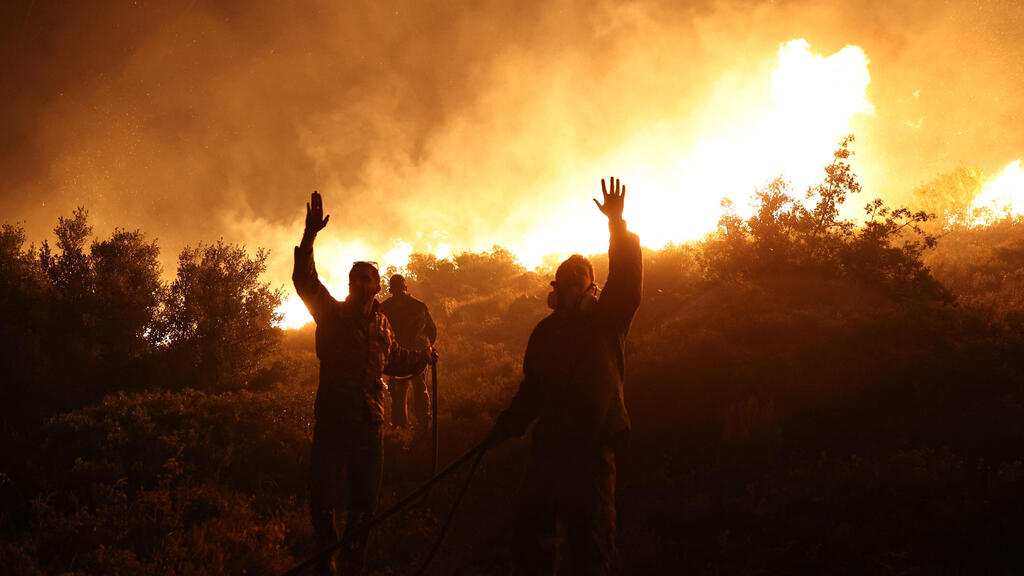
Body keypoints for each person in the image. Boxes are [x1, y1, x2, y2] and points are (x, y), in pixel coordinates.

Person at [487, 177, 642, 575]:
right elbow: (534, 390)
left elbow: (626, 280)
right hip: (551, 446)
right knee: (533, 539)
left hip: (592, 448)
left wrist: (617, 226)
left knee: (592, 543)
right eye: (567, 278)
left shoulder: (609, 319)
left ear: (594, 287)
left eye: (581, 278)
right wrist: (508, 424)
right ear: (555, 288)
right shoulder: (545, 333)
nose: (574, 283)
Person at [293, 190, 437, 576]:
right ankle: (327, 561)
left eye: (367, 279)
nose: (360, 283)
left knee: (364, 504)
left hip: (370, 423)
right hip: (334, 421)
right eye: (355, 278)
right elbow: (305, 280)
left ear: (377, 287)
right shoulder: (331, 314)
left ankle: (353, 564)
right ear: (351, 285)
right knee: (321, 499)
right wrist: (310, 236)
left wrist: (423, 356)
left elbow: (395, 360)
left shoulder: (383, 325)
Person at [380, 274, 437, 432]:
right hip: (419, 356)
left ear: (391, 289)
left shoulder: (384, 308)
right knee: (420, 389)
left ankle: (399, 429)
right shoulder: (419, 306)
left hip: (397, 358)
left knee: (398, 395)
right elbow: (432, 331)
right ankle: (424, 425)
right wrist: (428, 349)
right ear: (406, 287)